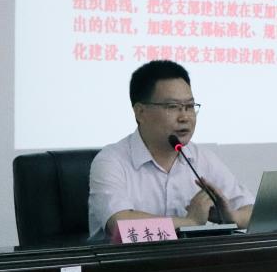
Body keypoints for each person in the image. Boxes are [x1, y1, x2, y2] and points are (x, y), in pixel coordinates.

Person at [87, 61, 255, 239]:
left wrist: (232, 217)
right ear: (140, 112)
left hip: (189, 257)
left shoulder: (202, 159)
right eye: (172, 107)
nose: (185, 117)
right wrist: (189, 222)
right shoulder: (112, 161)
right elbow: (120, 227)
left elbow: (253, 211)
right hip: (124, 257)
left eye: (189, 106)